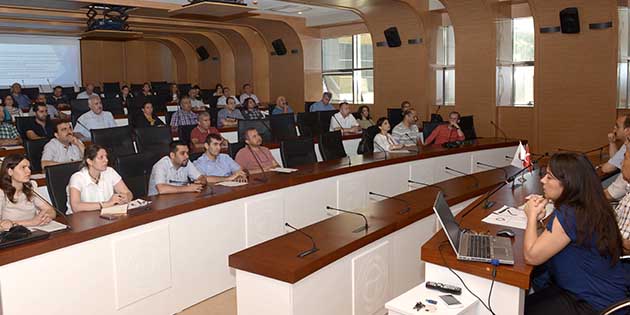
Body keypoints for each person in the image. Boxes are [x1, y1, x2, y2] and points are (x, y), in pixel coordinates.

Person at [522, 152, 627, 314]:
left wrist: (531, 216)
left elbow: (532, 256)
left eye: (549, 177)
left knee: (518, 309)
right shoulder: (589, 205)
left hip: (593, 303)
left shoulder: (570, 214)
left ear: (568, 183)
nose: (542, 180)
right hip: (601, 291)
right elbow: (546, 242)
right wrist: (536, 221)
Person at [67, 144, 132, 214]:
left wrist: (126, 197)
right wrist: (106, 204)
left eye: (106, 156)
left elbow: (128, 193)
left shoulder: (110, 171)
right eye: (101, 157)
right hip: (79, 219)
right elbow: (76, 207)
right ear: (89, 161)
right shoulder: (77, 178)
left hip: (104, 215)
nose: (106, 160)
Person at [0, 154, 55, 231]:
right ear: (10, 171)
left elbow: (51, 210)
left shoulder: (30, 186)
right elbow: (2, 225)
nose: (28, 171)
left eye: (28, 167)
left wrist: (46, 217)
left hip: (33, 231)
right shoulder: (1, 192)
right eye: (23, 168)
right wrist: (31, 222)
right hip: (11, 236)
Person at [611, 148, 630, 254]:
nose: (621, 163)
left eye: (625, 158)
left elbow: (626, 247)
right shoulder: (628, 192)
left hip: (618, 262)